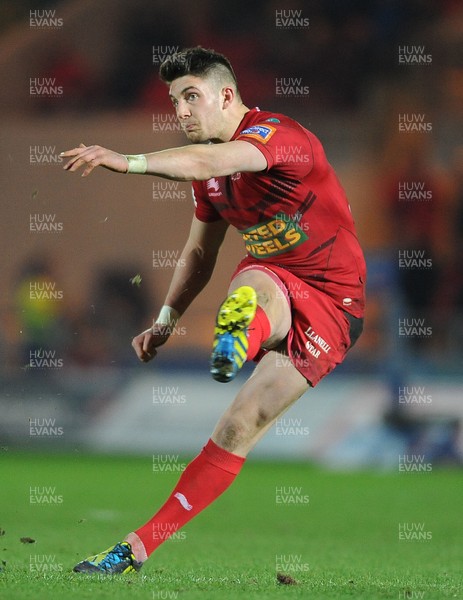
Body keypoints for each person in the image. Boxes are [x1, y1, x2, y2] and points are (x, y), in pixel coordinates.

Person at [61, 46, 366, 574]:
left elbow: (212, 160)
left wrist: (126, 161)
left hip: (337, 302)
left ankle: (239, 337)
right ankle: (133, 551)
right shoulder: (210, 177)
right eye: (175, 99)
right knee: (255, 291)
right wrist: (164, 321)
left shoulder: (277, 137)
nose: (180, 110)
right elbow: (200, 254)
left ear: (227, 95)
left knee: (243, 421)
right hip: (274, 281)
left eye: (191, 96)